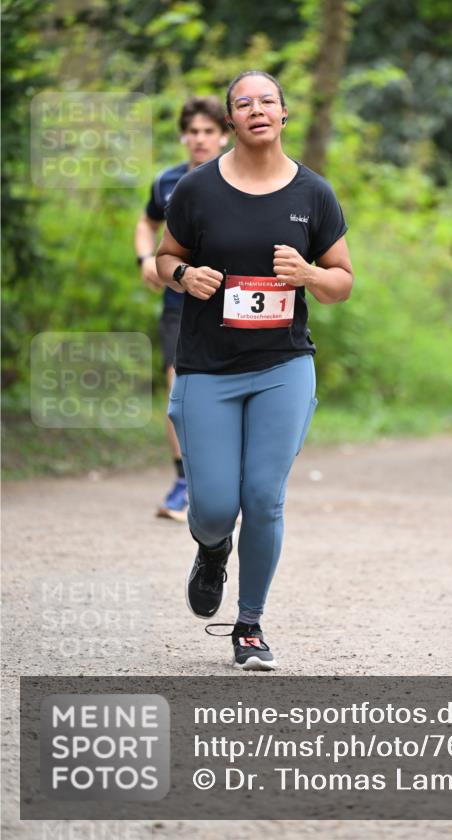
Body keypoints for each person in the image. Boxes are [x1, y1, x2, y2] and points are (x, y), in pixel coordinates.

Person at [156, 70, 353, 670]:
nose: (257, 109)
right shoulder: (197, 190)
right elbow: (166, 258)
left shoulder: (313, 194)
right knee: (214, 507)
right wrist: (185, 277)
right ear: (231, 121)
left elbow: (342, 281)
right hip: (208, 368)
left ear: (284, 115)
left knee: (263, 498)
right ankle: (212, 549)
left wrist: (311, 276)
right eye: (244, 103)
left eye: (268, 101)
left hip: (282, 366)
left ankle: (249, 624)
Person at [134, 97, 229, 520]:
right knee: (179, 389)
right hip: (179, 305)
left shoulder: (240, 178)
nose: (200, 139)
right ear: (183, 137)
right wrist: (144, 259)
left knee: (227, 392)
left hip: (233, 304)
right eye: (193, 132)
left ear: (224, 136)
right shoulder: (167, 182)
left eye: (209, 131)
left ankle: (225, 483)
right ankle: (182, 481)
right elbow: (147, 222)